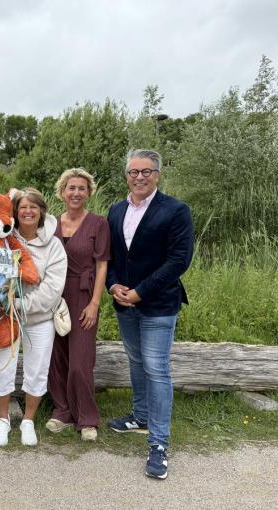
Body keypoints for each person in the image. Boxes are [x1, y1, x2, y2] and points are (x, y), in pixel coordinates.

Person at [106, 149, 194, 480]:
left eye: (146, 171)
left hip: (158, 304)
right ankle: (140, 416)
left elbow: (179, 260)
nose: (139, 177)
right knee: (135, 360)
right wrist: (113, 285)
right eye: (133, 172)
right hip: (124, 303)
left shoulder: (175, 210)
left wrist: (140, 291)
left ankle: (158, 444)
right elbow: (110, 256)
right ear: (126, 176)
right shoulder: (116, 210)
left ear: (157, 174)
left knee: (157, 369)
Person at [0, 188, 67, 447]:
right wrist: (4, 303)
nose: (28, 211)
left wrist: (20, 304)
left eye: (34, 207)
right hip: (6, 317)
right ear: (15, 211)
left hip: (40, 319)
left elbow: (52, 291)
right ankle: (3, 420)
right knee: (2, 368)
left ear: (42, 211)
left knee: (37, 370)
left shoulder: (54, 246)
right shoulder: (3, 239)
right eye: (23, 206)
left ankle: (28, 421)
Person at [46, 168, 110, 441]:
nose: (76, 193)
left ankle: (87, 419)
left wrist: (95, 302)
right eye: (71, 188)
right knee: (56, 356)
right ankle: (62, 411)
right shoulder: (50, 223)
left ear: (89, 192)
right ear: (62, 192)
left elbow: (102, 264)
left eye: (81, 188)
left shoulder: (98, 224)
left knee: (80, 362)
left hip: (83, 294)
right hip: (53, 293)